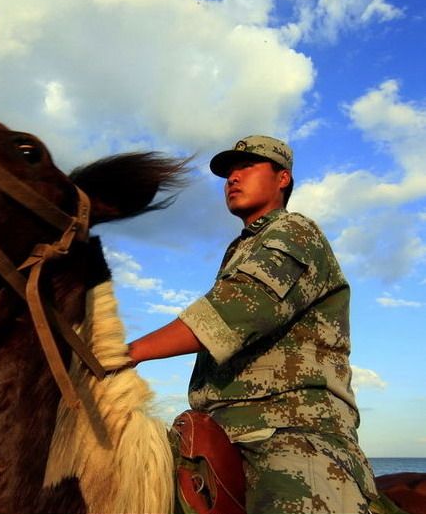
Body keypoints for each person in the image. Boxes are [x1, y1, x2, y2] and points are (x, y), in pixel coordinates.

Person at [128, 136, 378, 514]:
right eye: (229, 172)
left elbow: (239, 311)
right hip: (222, 431)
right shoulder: (243, 248)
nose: (232, 178)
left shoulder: (296, 232)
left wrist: (129, 352)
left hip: (293, 432)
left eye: (246, 167)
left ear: (283, 179)